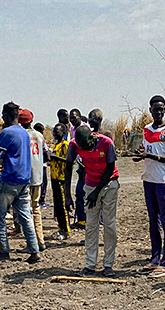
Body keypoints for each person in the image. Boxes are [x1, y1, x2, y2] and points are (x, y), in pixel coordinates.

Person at [133, 96, 165, 278]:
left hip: (163, 181)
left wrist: (153, 157)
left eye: (161, 109)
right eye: (155, 109)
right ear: (150, 109)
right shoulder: (146, 130)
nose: (158, 112)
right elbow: (145, 151)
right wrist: (140, 156)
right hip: (148, 179)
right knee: (153, 221)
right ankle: (154, 259)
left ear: (164, 109)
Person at [0, 102, 42, 263]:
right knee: (26, 216)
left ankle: (4, 250)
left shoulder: (7, 133)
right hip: (24, 180)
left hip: (9, 179)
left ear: (6, 115)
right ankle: (34, 250)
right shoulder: (25, 133)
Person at [65, 125, 119, 277]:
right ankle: (90, 265)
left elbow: (110, 168)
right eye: (82, 148)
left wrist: (97, 192)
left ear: (92, 137)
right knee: (91, 226)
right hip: (90, 185)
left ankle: (108, 265)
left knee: (109, 225)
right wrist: (67, 196)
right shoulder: (74, 144)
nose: (85, 150)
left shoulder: (106, 143)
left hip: (109, 184)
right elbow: (68, 167)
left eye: (87, 145)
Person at [19, 109, 47, 252]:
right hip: (38, 177)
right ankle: (40, 239)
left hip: (24, 177)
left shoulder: (21, 136)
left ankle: (32, 243)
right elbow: (46, 155)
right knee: (36, 209)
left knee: (25, 211)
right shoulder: (39, 135)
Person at [49, 123, 70, 241]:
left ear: (63, 133)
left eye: (57, 131)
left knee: (62, 205)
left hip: (62, 178)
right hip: (54, 177)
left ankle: (66, 230)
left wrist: (55, 158)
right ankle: (60, 227)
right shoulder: (55, 145)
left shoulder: (65, 145)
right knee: (57, 205)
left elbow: (69, 161)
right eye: (54, 131)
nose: (54, 133)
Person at [69, 108, 89, 229]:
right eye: (70, 118)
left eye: (74, 118)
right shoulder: (72, 129)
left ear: (80, 117)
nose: (72, 120)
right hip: (79, 163)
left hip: (87, 163)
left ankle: (87, 220)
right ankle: (81, 220)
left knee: (84, 191)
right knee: (79, 192)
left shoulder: (86, 128)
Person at [34, 123, 49, 209]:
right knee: (42, 183)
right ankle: (41, 201)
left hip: (33, 164)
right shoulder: (40, 138)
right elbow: (46, 153)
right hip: (41, 164)